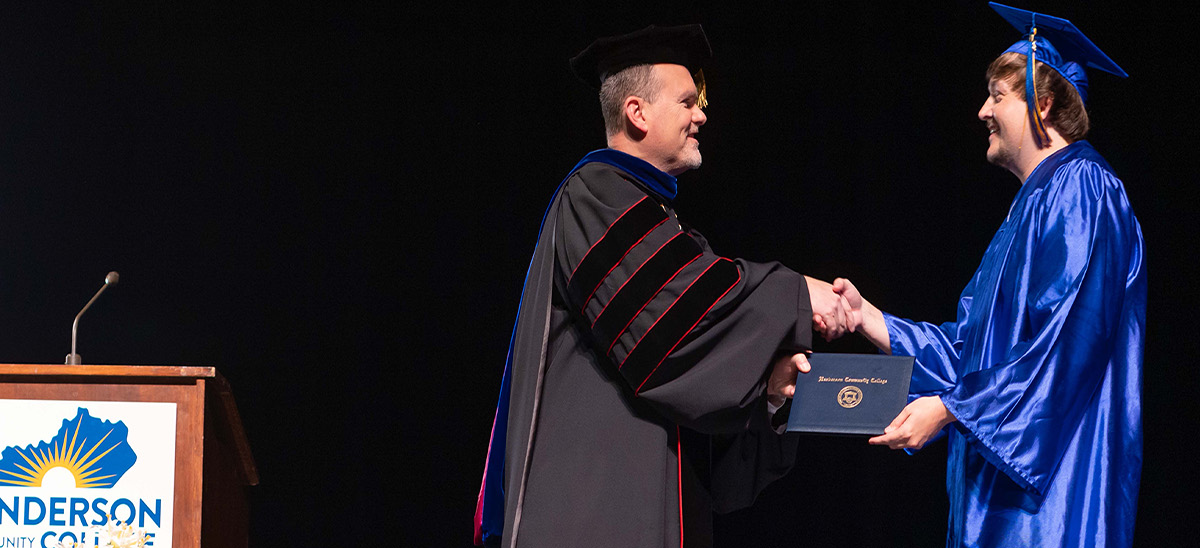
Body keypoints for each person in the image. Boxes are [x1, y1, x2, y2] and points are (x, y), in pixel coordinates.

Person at [474, 24, 852, 548]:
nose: (702, 115)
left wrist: (765, 391)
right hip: (591, 515)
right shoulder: (595, 193)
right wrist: (795, 292)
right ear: (638, 112)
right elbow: (669, 327)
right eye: (686, 101)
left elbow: (689, 365)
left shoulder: (659, 225)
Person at [828, 4, 1147, 547]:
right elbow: (971, 353)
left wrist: (953, 407)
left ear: (1043, 104)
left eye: (998, 95)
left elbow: (1066, 344)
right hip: (998, 496)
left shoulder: (1083, 190)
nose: (981, 111)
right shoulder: (1029, 209)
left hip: (1049, 504)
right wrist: (867, 317)